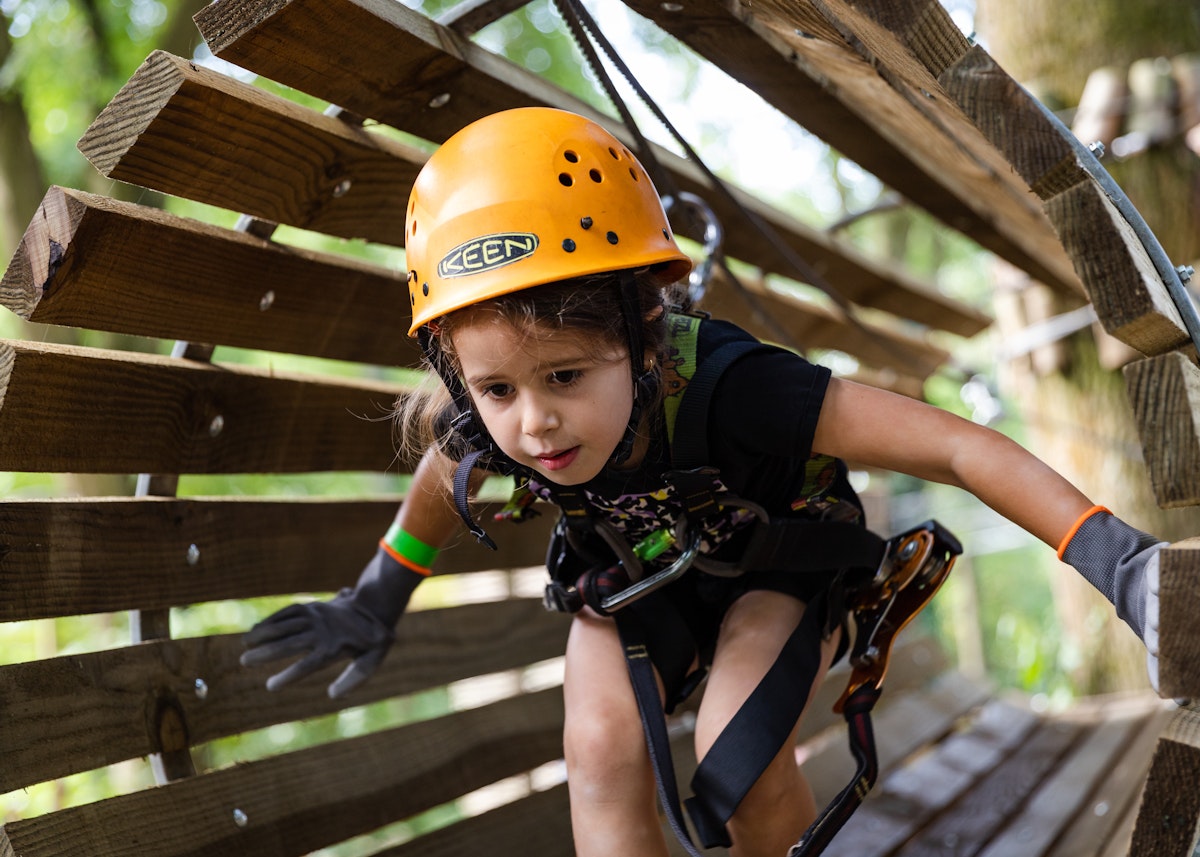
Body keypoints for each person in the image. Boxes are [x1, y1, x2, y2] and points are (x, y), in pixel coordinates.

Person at [242, 107, 1167, 857]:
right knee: (598, 753)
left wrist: (1118, 559)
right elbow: (441, 489)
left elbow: (956, 448)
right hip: (635, 578)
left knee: (742, 758)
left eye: (566, 375)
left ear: (645, 334)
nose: (533, 423)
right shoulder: (485, 423)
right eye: (496, 389)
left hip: (777, 560)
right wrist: (377, 596)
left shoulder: (739, 387)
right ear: (456, 375)